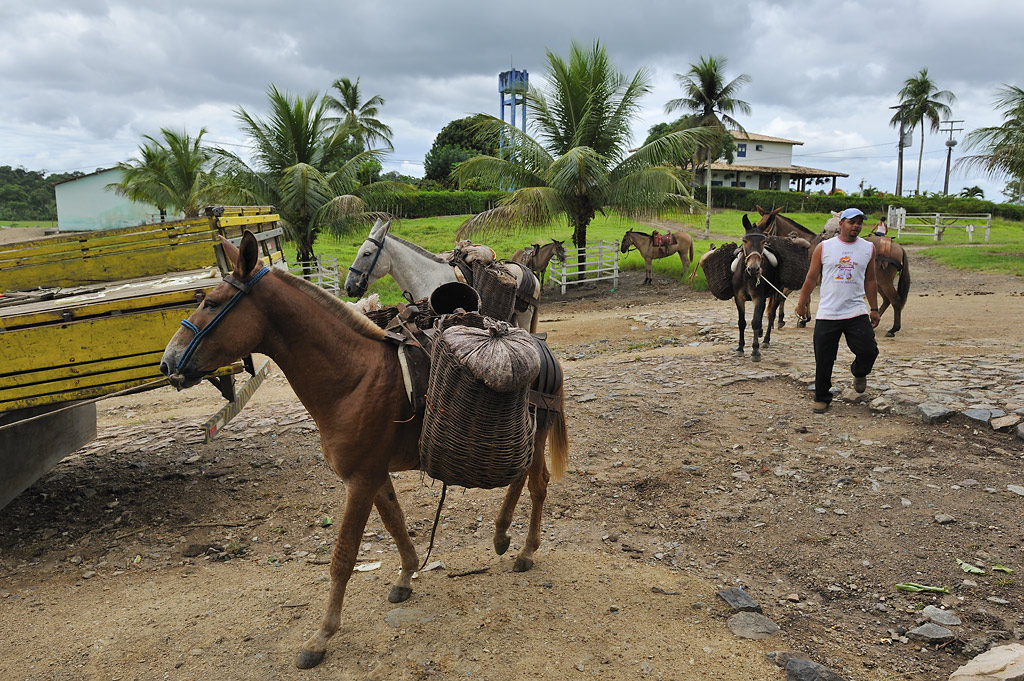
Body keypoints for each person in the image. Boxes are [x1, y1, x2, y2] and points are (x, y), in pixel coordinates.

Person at [794, 207, 880, 413]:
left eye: (860, 222)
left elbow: (870, 280)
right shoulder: (824, 248)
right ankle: (822, 397)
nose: (856, 226)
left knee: (869, 350)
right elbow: (812, 278)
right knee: (824, 358)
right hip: (828, 312)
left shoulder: (868, 248)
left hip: (856, 310)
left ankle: (859, 372)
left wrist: (874, 308)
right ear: (841, 224)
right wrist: (802, 303)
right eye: (852, 222)